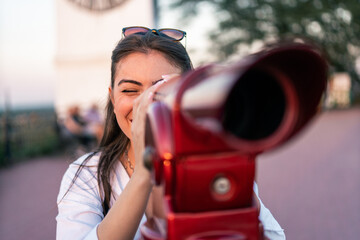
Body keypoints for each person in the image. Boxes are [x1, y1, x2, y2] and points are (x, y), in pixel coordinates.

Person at [56, 27, 285, 240]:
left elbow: (274, 236)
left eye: (163, 89)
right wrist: (145, 171)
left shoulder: (218, 165)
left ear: (189, 94)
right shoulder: (87, 175)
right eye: (130, 90)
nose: (144, 104)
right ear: (113, 98)